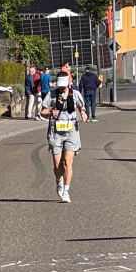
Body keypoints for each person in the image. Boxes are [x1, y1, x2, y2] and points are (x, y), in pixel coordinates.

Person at [40, 71, 87, 203]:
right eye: (60, 86)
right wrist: (50, 113)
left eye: (64, 86)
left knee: (67, 162)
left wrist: (83, 113)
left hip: (71, 130)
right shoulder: (52, 94)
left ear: (68, 83)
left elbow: (81, 106)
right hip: (56, 130)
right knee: (58, 165)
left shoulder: (75, 94)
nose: (62, 88)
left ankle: (66, 191)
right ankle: (59, 179)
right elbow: (42, 111)